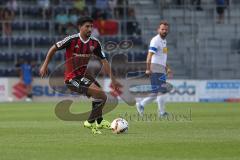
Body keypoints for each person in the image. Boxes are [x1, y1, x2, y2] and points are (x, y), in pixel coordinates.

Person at [39, 16, 122, 134]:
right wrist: (45, 65)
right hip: (71, 79)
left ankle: (99, 121)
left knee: (102, 97)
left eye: (91, 27)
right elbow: (54, 48)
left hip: (83, 76)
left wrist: (113, 79)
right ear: (80, 27)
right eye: (87, 26)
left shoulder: (95, 42)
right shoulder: (71, 40)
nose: (90, 29)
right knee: (100, 95)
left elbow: (104, 61)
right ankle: (90, 122)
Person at [136, 20, 172, 117]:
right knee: (162, 91)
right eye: (162, 29)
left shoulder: (164, 41)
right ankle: (161, 112)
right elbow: (149, 55)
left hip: (161, 69)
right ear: (158, 30)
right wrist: (148, 68)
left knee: (156, 93)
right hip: (155, 69)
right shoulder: (155, 41)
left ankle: (141, 104)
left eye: (166, 29)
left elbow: (163, 56)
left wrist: (167, 68)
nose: (164, 31)